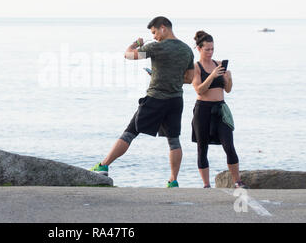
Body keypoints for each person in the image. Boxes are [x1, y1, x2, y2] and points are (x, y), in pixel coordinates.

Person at [90, 16, 195, 188]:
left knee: (130, 132)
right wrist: (166, 77)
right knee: (174, 141)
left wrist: (136, 43)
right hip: (176, 100)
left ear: (163, 28)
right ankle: (173, 180)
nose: (154, 37)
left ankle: (104, 165)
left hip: (155, 99)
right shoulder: (187, 51)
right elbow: (189, 79)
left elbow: (129, 55)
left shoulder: (156, 48)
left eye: (154, 32)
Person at [191, 31, 247, 188]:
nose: (210, 52)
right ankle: (206, 185)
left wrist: (228, 78)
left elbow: (227, 89)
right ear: (199, 49)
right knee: (202, 148)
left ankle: (238, 181)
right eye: (207, 49)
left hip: (220, 109)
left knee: (229, 145)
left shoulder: (219, 64)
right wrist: (212, 75)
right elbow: (199, 90)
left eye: (212, 49)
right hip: (203, 109)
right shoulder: (196, 67)